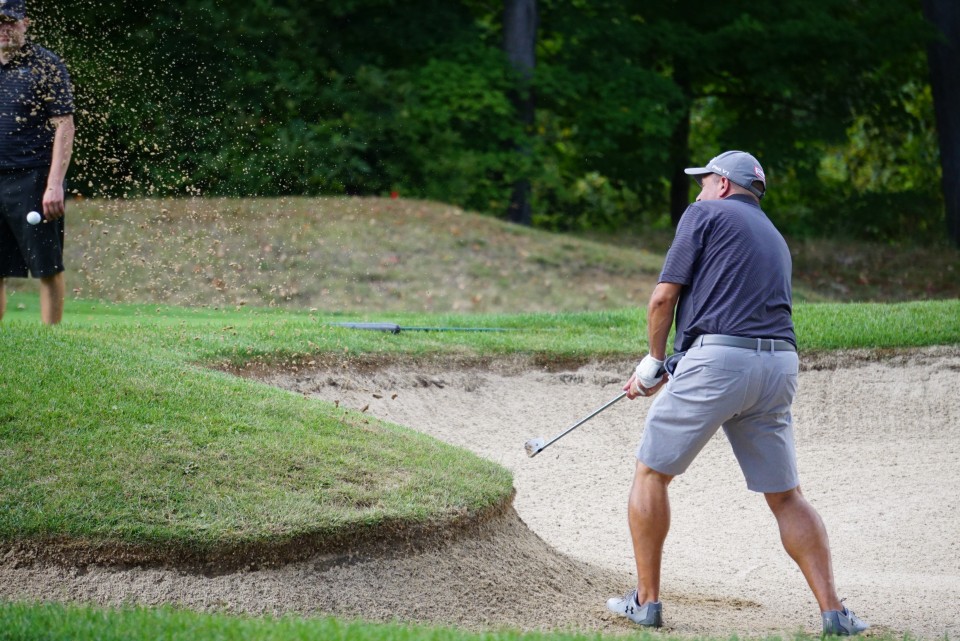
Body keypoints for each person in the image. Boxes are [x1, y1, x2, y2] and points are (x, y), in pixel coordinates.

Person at [606, 151, 869, 636]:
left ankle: (646, 602)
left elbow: (663, 297)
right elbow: (731, 306)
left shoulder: (703, 214)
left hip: (720, 364)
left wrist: (653, 362)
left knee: (651, 474)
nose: (700, 191)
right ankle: (834, 612)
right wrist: (681, 359)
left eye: (704, 182)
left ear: (724, 184)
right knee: (786, 496)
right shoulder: (774, 236)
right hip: (778, 366)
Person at [0, 0, 75, 325]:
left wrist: (54, 184)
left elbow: (64, 126)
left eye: (10, 21)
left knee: (47, 266)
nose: (4, 28)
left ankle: (51, 341)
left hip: (33, 178)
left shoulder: (46, 64)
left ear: (25, 23)